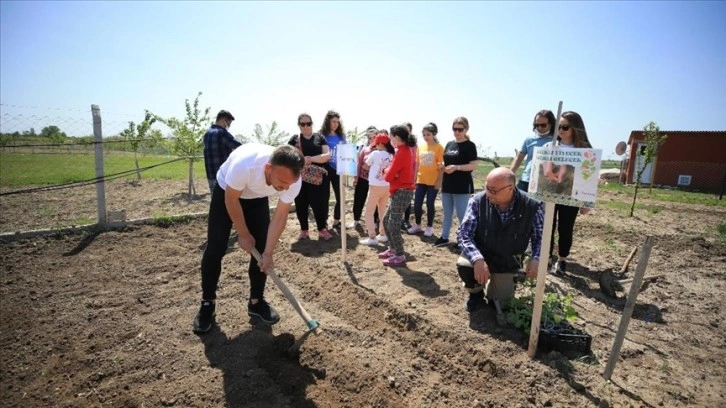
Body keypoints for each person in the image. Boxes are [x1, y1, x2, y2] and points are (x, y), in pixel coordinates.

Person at [192, 144, 305, 334]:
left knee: (260, 250)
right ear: (268, 168)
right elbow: (231, 200)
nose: (286, 187)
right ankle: (207, 303)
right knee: (216, 246)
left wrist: (268, 253)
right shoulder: (244, 165)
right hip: (227, 192)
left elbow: (280, 217)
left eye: (289, 184)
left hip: (257, 196)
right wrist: (243, 233)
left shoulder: (293, 180)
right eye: (283, 181)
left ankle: (256, 301)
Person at [456, 168, 544, 312]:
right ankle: (476, 292)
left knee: (501, 305)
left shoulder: (532, 206)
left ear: (510, 188)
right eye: (487, 188)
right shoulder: (478, 201)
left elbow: (539, 237)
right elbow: (464, 233)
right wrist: (477, 259)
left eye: (493, 190)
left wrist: (536, 259)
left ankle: (496, 289)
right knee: (465, 264)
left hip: (507, 261)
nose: (488, 193)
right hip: (482, 254)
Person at [545, 111, 593, 276]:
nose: (561, 130)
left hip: (571, 196)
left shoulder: (585, 150)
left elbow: (589, 178)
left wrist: (587, 202)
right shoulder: (550, 147)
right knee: (547, 227)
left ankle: (562, 260)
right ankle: (547, 258)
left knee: (565, 228)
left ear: (575, 128)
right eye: (558, 127)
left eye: (565, 127)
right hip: (550, 194)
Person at [287, 113, 333, 241]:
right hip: (300, 178)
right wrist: (304, 160)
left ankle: (322, 229)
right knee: (301, 203)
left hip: (319, 178)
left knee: (321, 203)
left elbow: (327, 155)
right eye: (303, 124)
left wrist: (310, 159)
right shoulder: (294, 139)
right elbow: (289, 157)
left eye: (308, 123)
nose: (306, 126)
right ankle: (304, 230)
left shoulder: (320, 137)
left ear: (312, 123)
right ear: (299, 125)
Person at [434, 116, 478, 248]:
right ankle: (444, 237)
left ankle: (464, 239)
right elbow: (446, 161)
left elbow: (473, 165)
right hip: (448, 183)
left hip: (462, 185)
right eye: (455, 129)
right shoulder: (449, 144)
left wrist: (457, 167)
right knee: (447, 212)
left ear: (466, 129)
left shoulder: (470, 146)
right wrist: (442, 165)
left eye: (460, 129)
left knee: (461, 214)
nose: (457, 132)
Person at [378, 125, 416, 266]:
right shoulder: (402, 151)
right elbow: (392, 173)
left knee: (393, 224)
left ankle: (400, 255)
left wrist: (387, 171)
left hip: (402, 191)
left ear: (397, 138)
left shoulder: (402, 152)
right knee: (387, 220)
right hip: (400, 190)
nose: (390, 139)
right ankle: (393, 249)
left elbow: (388, 176)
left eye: (391, 137)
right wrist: (391, 172)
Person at [407, 122, 444, 237]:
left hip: (433, 181)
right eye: (424, 134)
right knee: (417, 204)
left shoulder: (439, 148)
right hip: (420, 180)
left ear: (434, 134)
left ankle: (429, 227)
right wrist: (414, 179)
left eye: (428, 134)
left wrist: (439, 182)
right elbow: (417, 164)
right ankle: (418, 225)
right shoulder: (420, 147)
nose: (426, 137)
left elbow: (441, 167)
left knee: (429, 204)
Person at [359, 133, 394, 246]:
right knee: (382, 211)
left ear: (380, 144)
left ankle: (372, 236)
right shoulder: (391, 155)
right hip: (386, 185)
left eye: (376, 144)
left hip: (375, 185)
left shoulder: (374, 153)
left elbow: (365, 165)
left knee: (368, 212)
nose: (375, 146)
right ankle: (383, 234)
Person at [509, 110, 556, 192]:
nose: (540, 128)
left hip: (546, 183)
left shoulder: (557, 141)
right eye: (537, 125)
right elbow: (519, 158)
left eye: (543, 125)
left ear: (551, 124)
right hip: (526, 180)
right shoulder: (529, 140)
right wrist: (509, 174)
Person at [320, 110, 347, 231]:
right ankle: (323, 222)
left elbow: (346, 153)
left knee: (340, 196)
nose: (335, 124)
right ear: (328, 122)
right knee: (324, 197)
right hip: (325, 169)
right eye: (333, 121)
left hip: (338, 170)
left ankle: (337, 221)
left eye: (337, 122)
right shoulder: (321, 136)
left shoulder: (341, 136)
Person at [203, 110, 240, 194]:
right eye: (229, 123)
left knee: (215, 201)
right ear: (223, 121)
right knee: (225, 201)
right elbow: (238, 146)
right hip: (223, 176)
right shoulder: (222, 133)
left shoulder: (207, 133)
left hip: (211, 175)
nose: (228, 126)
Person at [349, 126, 378, 229]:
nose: (372, 140)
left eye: (374, 137)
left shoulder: (381, 151)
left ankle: (375, 222)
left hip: (375, 181)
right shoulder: (364, 149)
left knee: (374, 201)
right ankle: (356, 220)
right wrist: (356, 178)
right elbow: (359, 164)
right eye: (370, 138)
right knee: (359, 199)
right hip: (363, 179)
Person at [401, 122, 417, 231]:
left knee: (407, 199)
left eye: (407, 130)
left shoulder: (413, 146)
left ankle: (406, 221)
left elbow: (416, 162)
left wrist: (414, 177)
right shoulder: (398, 144)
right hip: (399, 176)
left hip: (409, 175)